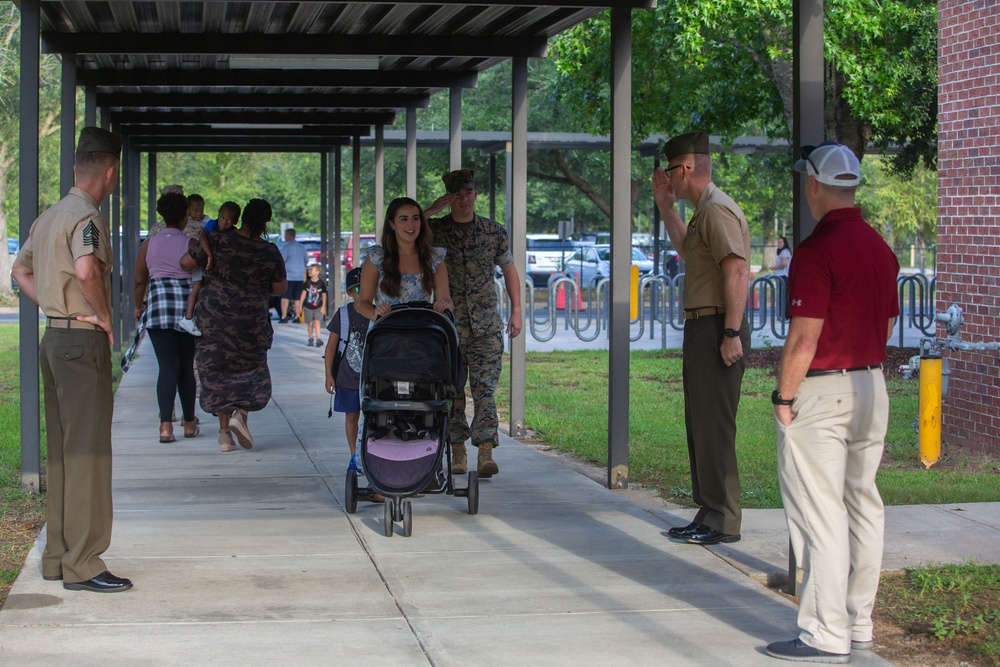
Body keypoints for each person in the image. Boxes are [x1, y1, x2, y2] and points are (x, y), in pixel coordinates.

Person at [764, 142, 899, 664]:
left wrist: (784, 395)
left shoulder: (816, 252)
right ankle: (858, 620)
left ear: (814, 186)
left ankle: (824, 632)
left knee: (821, 513)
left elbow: (803, 338)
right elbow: (887, 323)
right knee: (863, 504)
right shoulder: (880, 248)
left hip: (822, 390)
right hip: (871, 383)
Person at [10, 126, 133, 592]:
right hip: (81, 344)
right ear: (111, 170)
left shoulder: (48, 218)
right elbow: (86, 270)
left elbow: (19, 270)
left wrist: (49, 305)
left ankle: (59, 556)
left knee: (63, 452)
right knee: (89, 454)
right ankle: (85, 562)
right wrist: (102, 318)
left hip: (54, 341)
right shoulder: (86, 216)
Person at [651, 131, 751, 545]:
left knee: (715, 425)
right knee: (701, 424)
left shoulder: (717, 210)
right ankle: (709, 511)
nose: (668, 178)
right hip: (702, 326)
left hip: (716, 326)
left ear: (686, 167)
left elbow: (737, 270)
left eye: (670, 171)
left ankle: (724, 519)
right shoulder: (701, 211)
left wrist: (730, 331)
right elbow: (687, 251)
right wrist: (664, 207)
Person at [424, 170, 523, 479]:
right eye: (456, 195)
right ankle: (457, 450)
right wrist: (430, 211)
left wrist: (517, 310)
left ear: (475, 194)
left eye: (468, 193)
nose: (463, 200)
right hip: (448, 327)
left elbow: (509, 269)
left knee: (485, 391)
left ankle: (485, 452)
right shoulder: (434, 230)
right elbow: (403, 231)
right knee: (452, 391)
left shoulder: (494, 232)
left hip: (485, 327)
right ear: (448, 197)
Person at [181, 199, 287, 452]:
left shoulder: (218, 240)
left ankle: (224, 434)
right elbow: (279, 289)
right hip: (251, 324)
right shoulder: (269, 251)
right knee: (249, 372)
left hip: (214, 321)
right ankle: (242, 415)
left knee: (218, 374)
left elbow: (185, 263)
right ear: (265, 222)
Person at [132, 191, 201, 443]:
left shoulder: (149, 244)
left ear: (161, 215)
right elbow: (201, 277)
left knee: (167, 367)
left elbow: (140, 279)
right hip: (187, 312)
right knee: (186, 368)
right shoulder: (190, 244)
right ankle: (190, 424)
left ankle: (165, 426)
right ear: (184, 216)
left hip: (159, 308)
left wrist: (138, 306)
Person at [355, 197, 453, 320]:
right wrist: (375, 312)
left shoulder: (434, 259)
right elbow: (363, 303)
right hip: (386, 334)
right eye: (403, 219)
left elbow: (446, 300)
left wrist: (444, 305)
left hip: (423, 333)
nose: (410, 224)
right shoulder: (377, 258)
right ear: (392, 224)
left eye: (415, 218)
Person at [324, 267, 367, 475]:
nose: (364, 292)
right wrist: (328, 376)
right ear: (350, 292)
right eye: (359, 288)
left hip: (370, 379)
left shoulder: (378, 313)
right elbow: (331, 347)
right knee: (352, 416)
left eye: (368, 287)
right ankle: (354, 455)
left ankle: (368, 453)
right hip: (347, 377)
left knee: (373, 416)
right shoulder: (343, 315)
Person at [180, 201, 241, 336]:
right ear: (218, 215)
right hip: (200, 262)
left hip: (210, 271)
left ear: (236, 221)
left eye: (230, 220)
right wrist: (209, 255)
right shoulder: (212, 225)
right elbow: (202, 237)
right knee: (197, 286)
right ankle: (188, 318)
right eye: (222, 218)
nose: (224, 223)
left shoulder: (234, 234)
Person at [279, 228, 308, 323]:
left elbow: (282, 260)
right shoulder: (302, 247)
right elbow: (306, 260)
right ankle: (297, 316)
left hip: (289, 276)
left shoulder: (286, 247)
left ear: (290, 235)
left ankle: (284, 316)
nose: (285, 237)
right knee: (297, 297)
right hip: (299, 276)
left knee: (285, 296)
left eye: (286, 235)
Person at [298, 263, 328, 346]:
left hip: (318, 306)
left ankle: (318, 339)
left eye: (312, 270)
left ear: (317, 272)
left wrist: (323, 307)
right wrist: (300, 306)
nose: (309, 271)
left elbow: (324, 295)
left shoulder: (321, 283)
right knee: (310, 323)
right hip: (308, 307)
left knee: (317, 322)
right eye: (309, 270)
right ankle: (310, 338)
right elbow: (303, 294)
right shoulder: (307, 283)